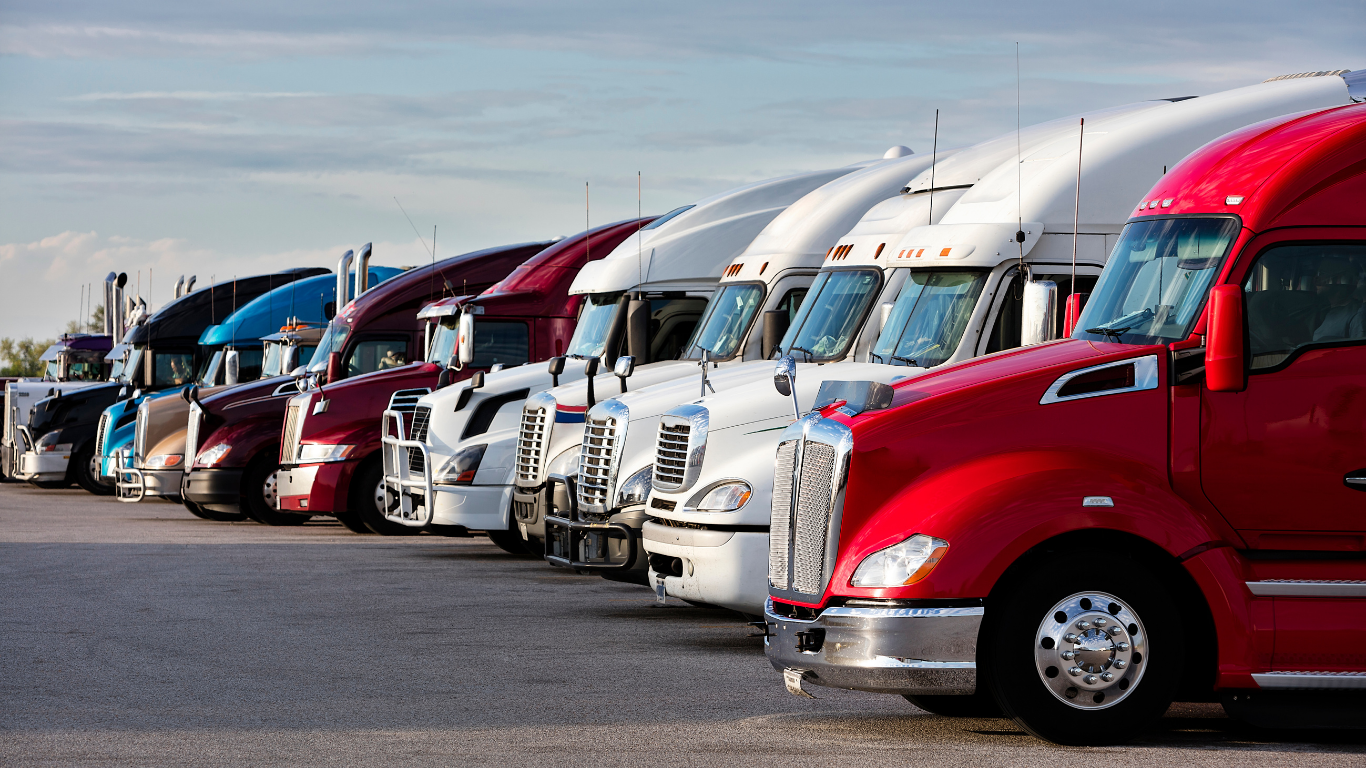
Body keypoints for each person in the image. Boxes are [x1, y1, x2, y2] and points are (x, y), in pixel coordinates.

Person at [1313, 257, 1365, 342]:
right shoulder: (1323, 310)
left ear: (1340, 280)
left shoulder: (1356, 315)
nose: (1316, 279)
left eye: (1321, 273)